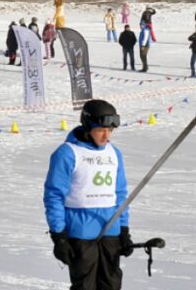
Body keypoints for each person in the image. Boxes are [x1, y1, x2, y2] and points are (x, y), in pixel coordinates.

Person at [44, 99, 132, 290]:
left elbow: (120, 193)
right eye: (101, 130)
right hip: (80, 233)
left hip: (111, 230)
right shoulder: (67, 153)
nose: (106, 136)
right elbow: (54, 196)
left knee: (112, 285)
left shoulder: (114, 153)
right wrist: (58, 236)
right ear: (88, 125)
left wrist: (124, 228)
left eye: (110, 131)